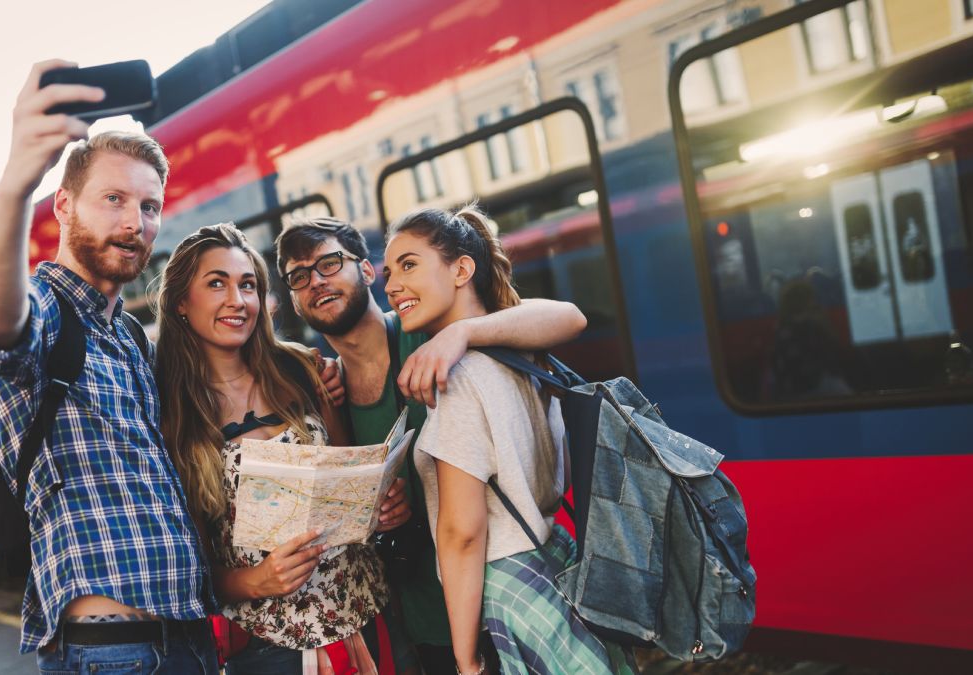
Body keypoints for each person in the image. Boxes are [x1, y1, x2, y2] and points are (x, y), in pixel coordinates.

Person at [0, 61, 219, 671]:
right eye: (114, 199)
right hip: (110, 653)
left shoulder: (129, 337)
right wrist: (15, 180)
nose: (136, 222)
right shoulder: (46, 312)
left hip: (188, 638)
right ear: (64, 206)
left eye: (150, 206)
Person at [275, 218, 587, 673]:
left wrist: (461, 334)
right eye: (299, 277)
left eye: (329, 263)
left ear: (365, 271)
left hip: (494, 605)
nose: (316, 281)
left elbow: (569, 317)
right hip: (418, 620)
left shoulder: (428, 329)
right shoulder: (324, 391)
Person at [383, 205, 636, 675]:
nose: (391, 284)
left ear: (462, 269)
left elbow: (462, 533)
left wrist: (466, 660)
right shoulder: (525, 356)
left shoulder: (459, 381)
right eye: (388, 271)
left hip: (506, 586)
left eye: (409, 264)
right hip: (550, 557)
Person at [154, 223, 402, 674]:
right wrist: (256, 580)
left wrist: (382, 507)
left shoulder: (303, 370)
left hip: (369, 614)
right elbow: (186, 568)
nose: (238, 300)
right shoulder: (170, 418)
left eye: (247, 284)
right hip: (272, 648)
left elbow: (350, 479)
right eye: (217, 283)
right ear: (181, 304)